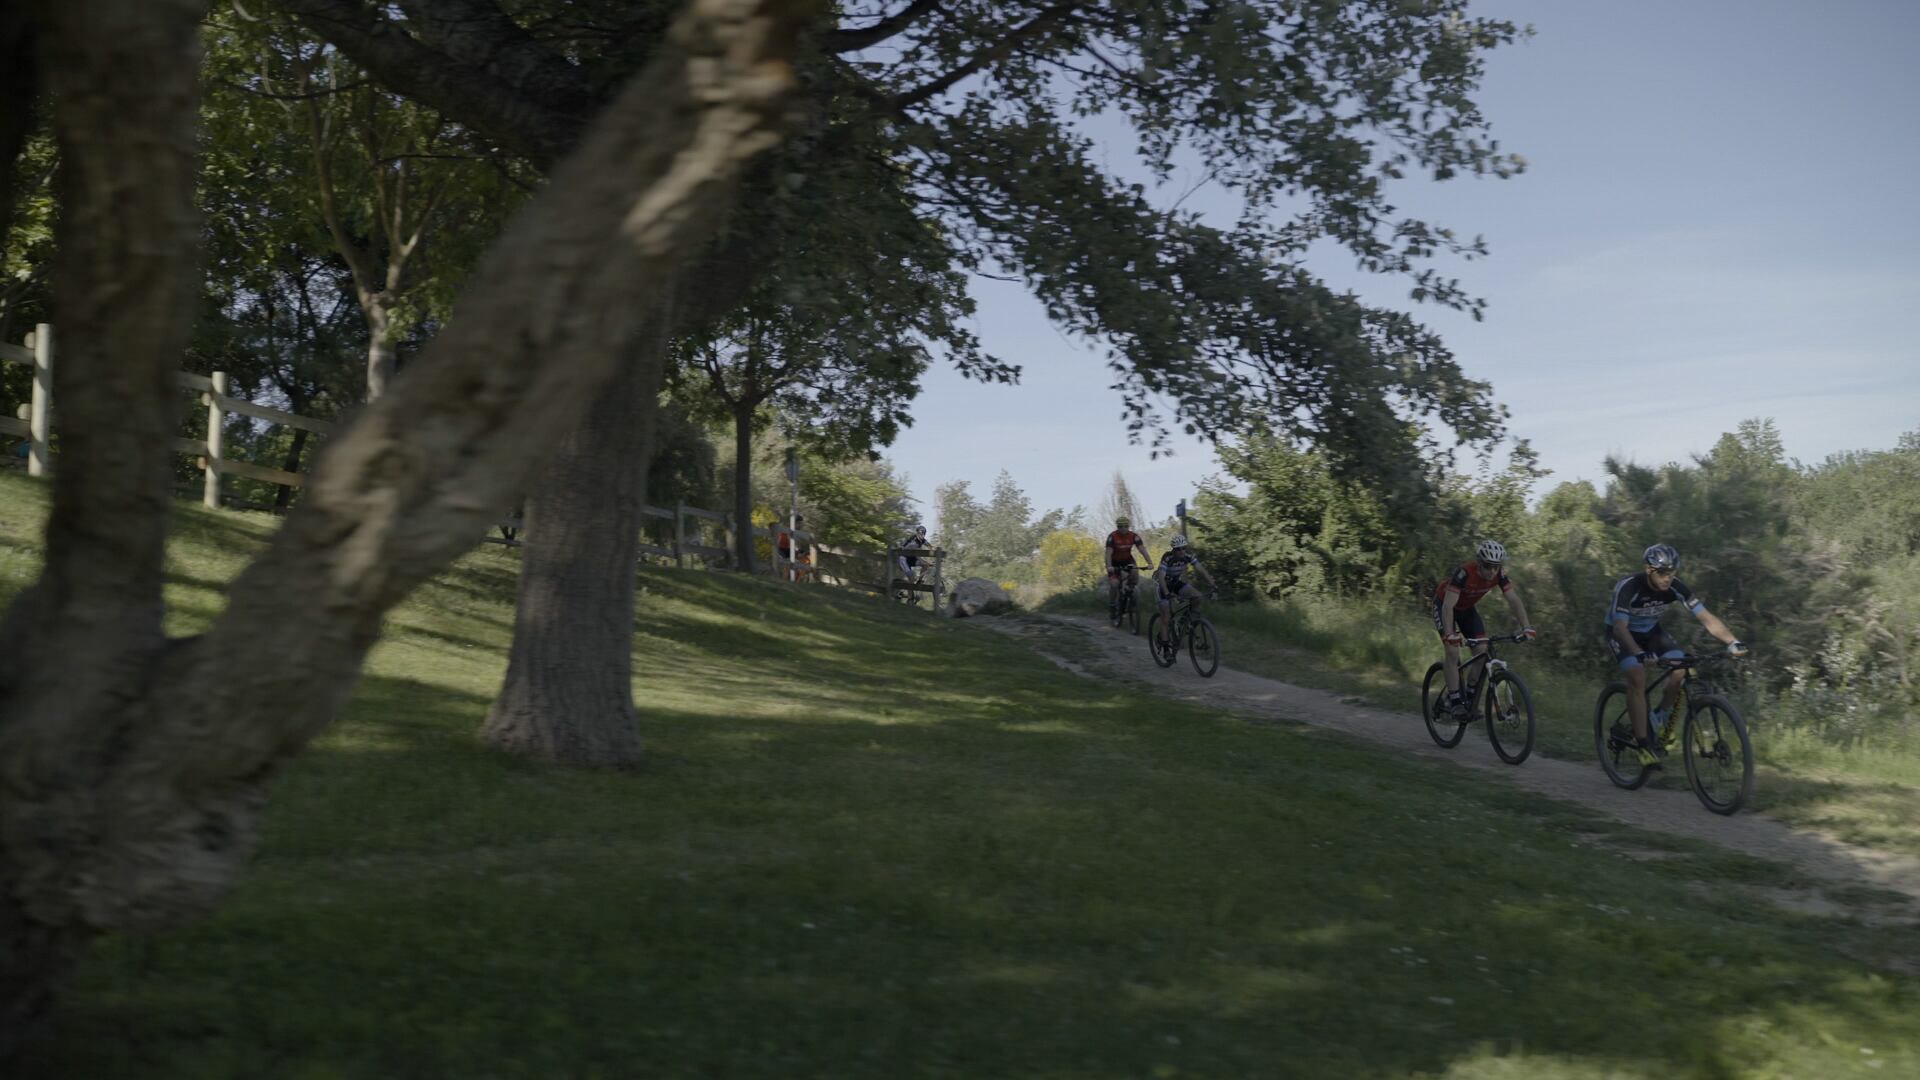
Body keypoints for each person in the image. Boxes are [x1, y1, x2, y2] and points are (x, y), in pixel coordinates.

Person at [1604, 543, 1748, 766]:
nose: (1668, 578)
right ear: (1649, 570)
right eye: (1663, 573)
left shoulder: (1675, 587)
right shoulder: (1629, 587)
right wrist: (1640, 654)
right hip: (1622, 634)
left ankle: (1658, 717)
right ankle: (1642, 746)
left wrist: (1732, 641)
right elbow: (1620, 628)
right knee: (1637, 676)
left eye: (1672, 573)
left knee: (1680, 668)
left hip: (1651, 632)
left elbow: (1706, 617)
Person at [1432, 539, 1536, 719]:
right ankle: (1455, 700)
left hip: (1466, 610)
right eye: (1488, 566)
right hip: (1444, 605)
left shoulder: (1499, 575)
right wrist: (1450, 635)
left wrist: (1526, 627)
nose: (1492, 571)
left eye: (1496, 566)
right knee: (1452, 651)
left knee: (1481, 649)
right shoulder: (1464, 573)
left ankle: (1470, 698)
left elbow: (1513, 599)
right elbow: (1448, 606)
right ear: (1479, 562)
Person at [1152, 534, 1217, 650]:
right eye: (1178, 549)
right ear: (1173, 549)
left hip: (1176, 583)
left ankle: (1183, 623)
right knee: (1166, 616)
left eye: (1183, 548)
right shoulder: (1167, 557)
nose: (1181, 551)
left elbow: (1201, 569)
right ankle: (1165, 647)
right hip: (1162, 586)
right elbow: (1161, 577)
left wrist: (1212, 583)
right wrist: (1167, 593)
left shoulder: (1188, 556)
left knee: (1197, 596)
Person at [1103, 515, 1152, 620]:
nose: (1123, 528)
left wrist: (1149, 562)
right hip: (1114, 562)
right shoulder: (1112, 537)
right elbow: (1108, 554)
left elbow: (1142, 550)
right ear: (1117, 527)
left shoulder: (1134, 536)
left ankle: (1130, 595)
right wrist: (1109, 566)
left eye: (1125, 526)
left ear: (1128, 526)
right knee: (1115, 584)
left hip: (1127, 560)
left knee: (1134, 575)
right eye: (1120, 526)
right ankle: (1112, 605)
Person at [896, 524, 932, 597]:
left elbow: (930, 546)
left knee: (925, 565)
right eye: (920, 533)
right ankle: (909, 597)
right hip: (904, 559)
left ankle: (919, 581)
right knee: (911, 578)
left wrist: (934, 552)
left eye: (923, 534)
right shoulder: (914, 542)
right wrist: (926, 561)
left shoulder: (922, 540)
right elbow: (917, 556)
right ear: (917, 533)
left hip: (911, 558)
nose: (922, 535)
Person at [776, 514, 812, 581]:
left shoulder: (796, 531)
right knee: (787, 565)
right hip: (781, 550)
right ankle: (784, 582)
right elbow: (791, 541)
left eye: (801, 523)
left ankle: (797, 580)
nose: (801, 525)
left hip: (789, 550)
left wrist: (801, 551)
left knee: (804, 560)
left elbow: (797, 544)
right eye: (799, 523)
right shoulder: (788, 529)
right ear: (795, 523)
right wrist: (798, 550)